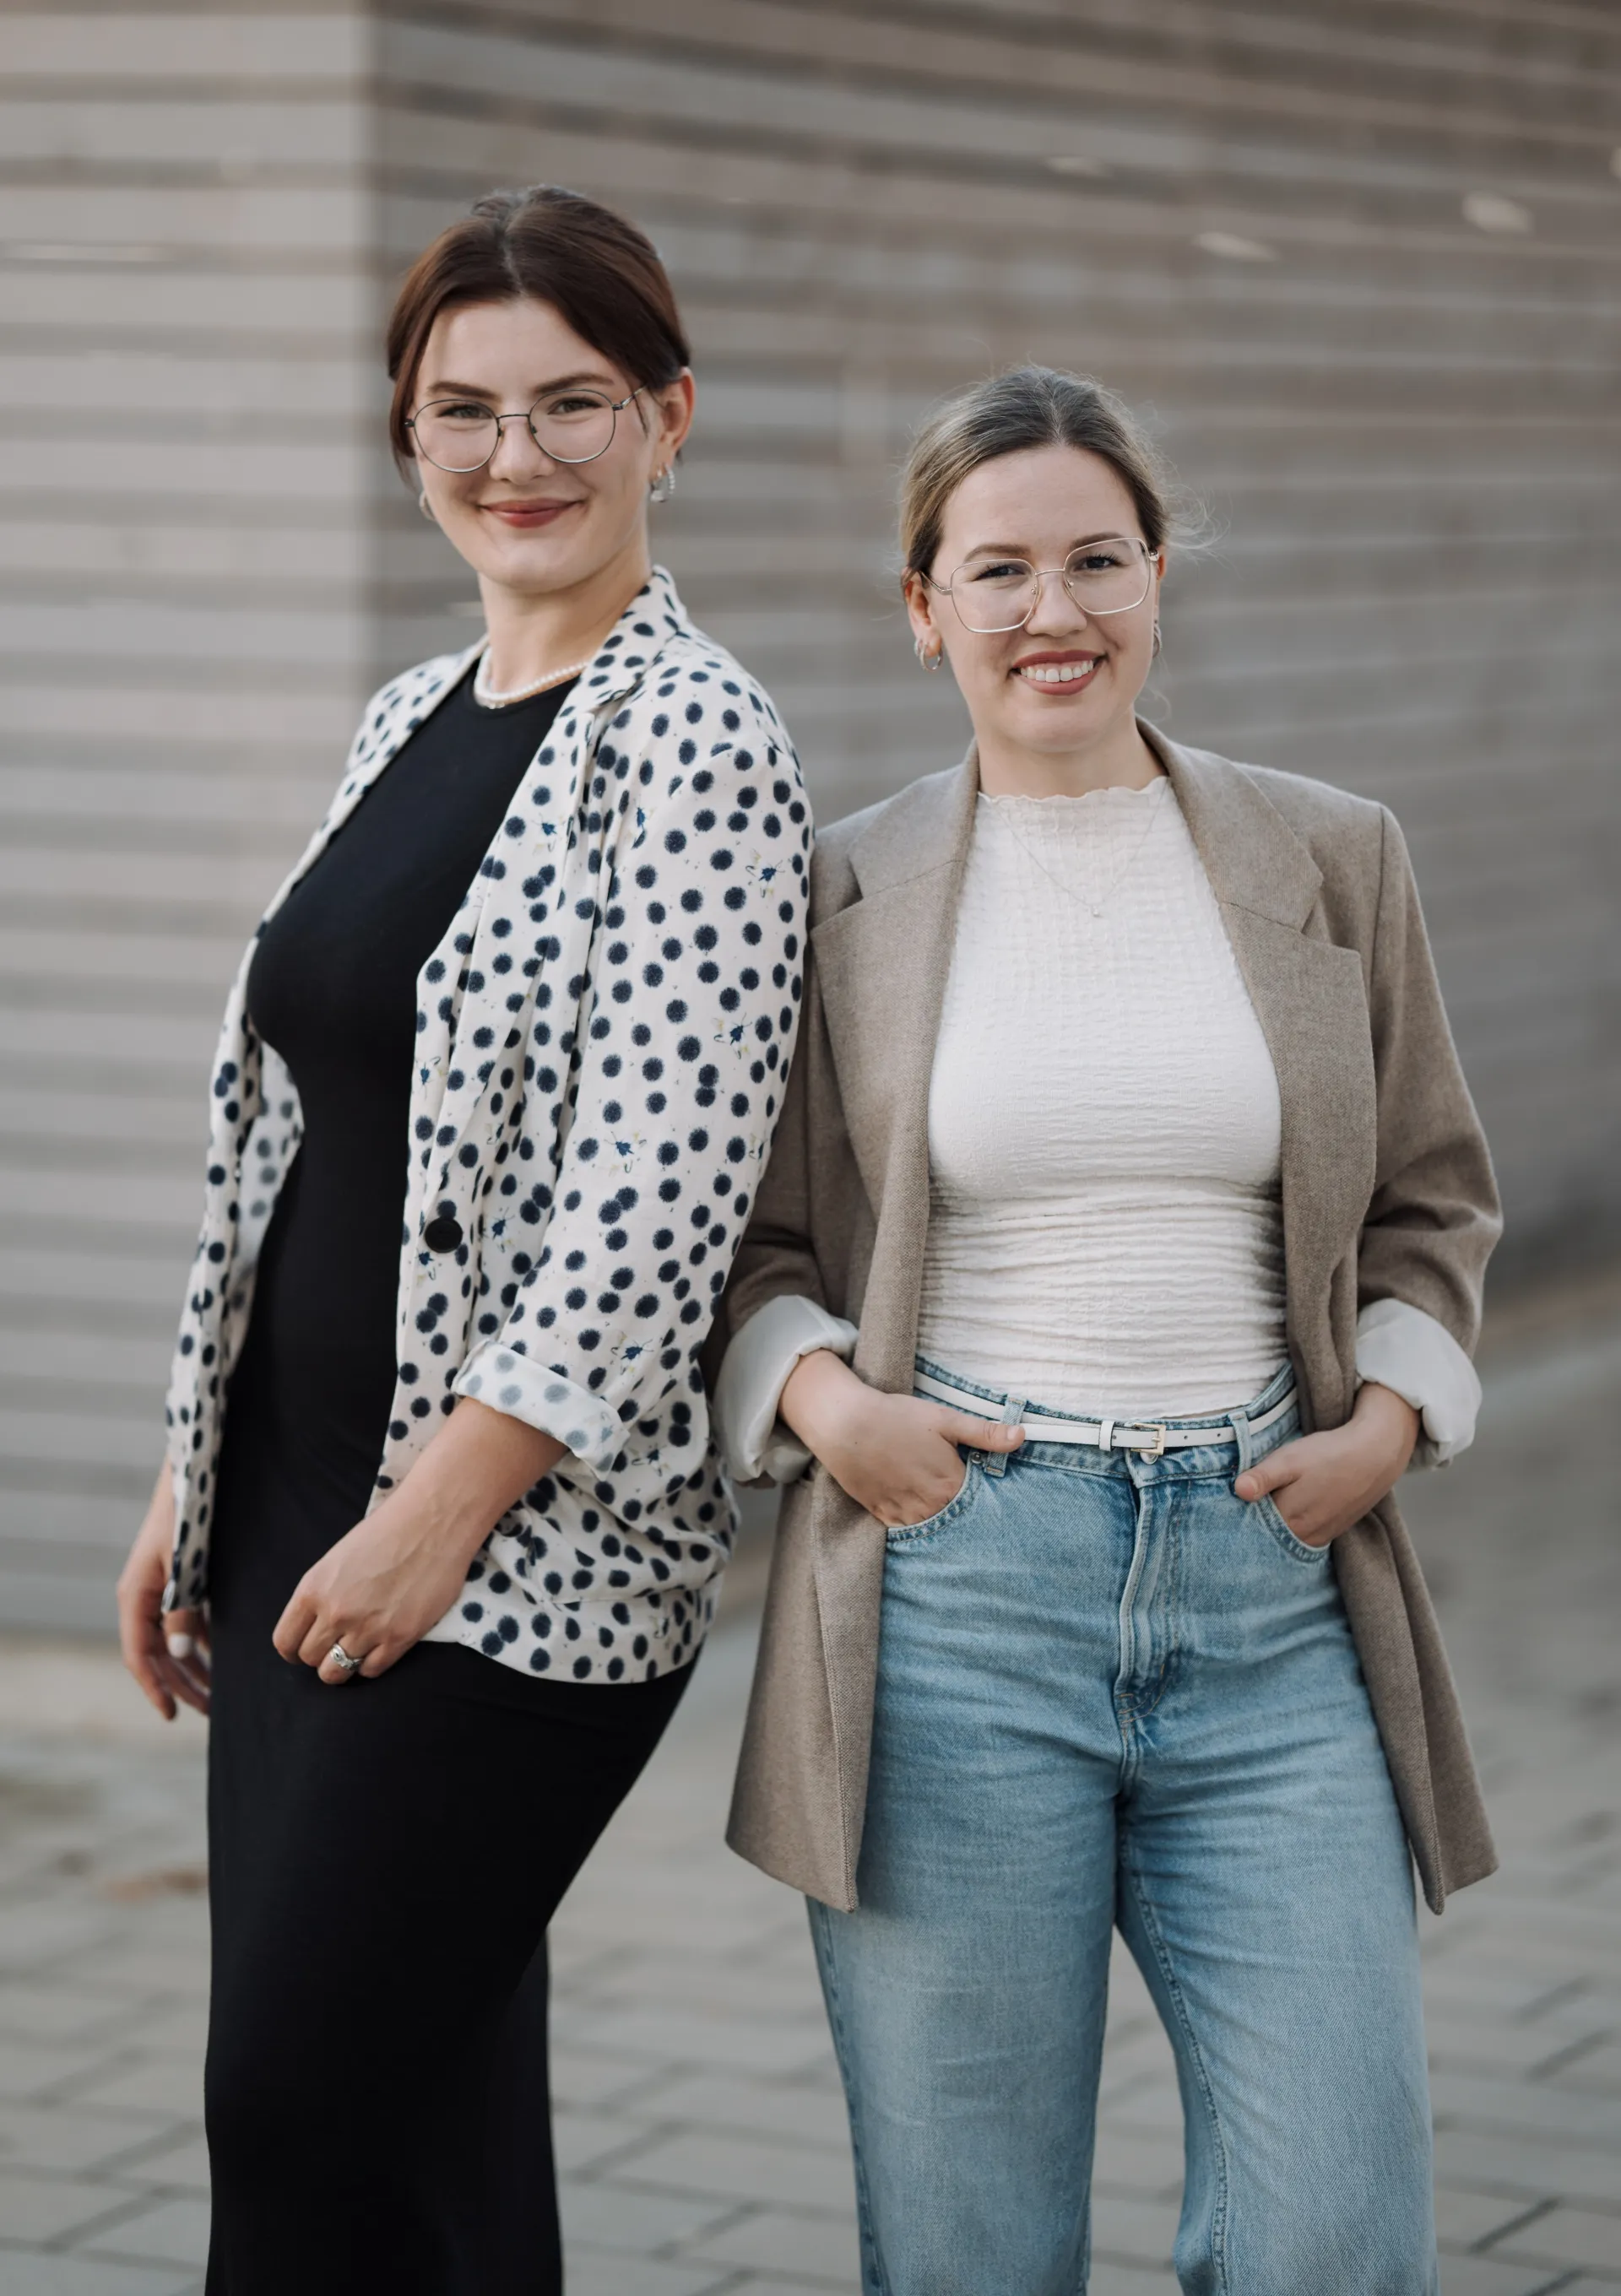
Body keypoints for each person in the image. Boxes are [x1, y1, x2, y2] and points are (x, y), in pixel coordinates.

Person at [710, 365, 1499, 2296]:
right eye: (997, 570)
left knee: (1338, 2230)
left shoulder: (1332, 855)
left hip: (1273, 1590)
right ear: (924, 606)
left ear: (1159, 579)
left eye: (1095, 560)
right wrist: (828, 1405)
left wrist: (1391, 1426)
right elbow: (754, 1243)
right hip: (958, 1597)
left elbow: (1433, 1197)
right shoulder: (843, 888)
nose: (1050, 611)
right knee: (974, 2246)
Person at [115, 184, 809, 2295]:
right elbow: (286, 1136)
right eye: (465, 409)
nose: (518, 457)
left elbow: (655, 1195)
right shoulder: (409, 716)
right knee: (431, 2123)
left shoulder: (701, 743)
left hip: (507, 1554)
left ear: (669, 418)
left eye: (573, 404)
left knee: (297, 2109)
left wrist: (436, 1520)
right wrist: (188, 1472)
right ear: (406, 432)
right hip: (300, 1502)